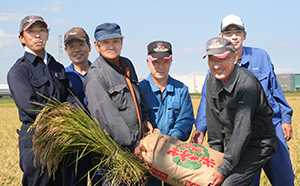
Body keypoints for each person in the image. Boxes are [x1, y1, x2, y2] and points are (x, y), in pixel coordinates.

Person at [191, 14, 294, 186]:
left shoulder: (260, 58)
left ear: (244, 35)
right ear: (221, 36)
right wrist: (201, 128)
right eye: (228, 32)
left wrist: (286, 118)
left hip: (268, 127)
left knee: (283, 178)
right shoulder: (214, 74)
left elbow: (275, 88)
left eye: (237, 31)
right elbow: (208, 104)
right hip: (236, 131)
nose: (233, 36)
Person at [7, 15, 76, 186]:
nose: (38, 36)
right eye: (31, 32)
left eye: (42, 31)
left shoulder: (57, 67)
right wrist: (64, 119)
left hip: (62, 139)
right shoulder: (19, 71)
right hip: (37, 140)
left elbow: (70, 98)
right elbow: (31, 107)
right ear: (22, 38)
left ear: (47, 35)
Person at [84, 22, 153, 185]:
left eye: (115, 41)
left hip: (136, 149)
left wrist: (144, 118)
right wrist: (131, 144)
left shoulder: (126, 64)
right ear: (96, 46)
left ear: (121, 43)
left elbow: (138, 95)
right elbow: (108, 117)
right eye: (105, 43)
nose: (111, 46)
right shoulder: (96, 77)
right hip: (115, 155)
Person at [203, 37, 276, 186]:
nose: (216, 66)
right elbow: (214, 124)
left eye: (221, 59)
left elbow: (242, 130)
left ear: (234, 57)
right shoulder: (211, 79)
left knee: (228, 184)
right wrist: (216, 159)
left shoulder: (247, 84)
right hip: (232, 142)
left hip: (257, 144)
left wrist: (224, 169)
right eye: (212, 60)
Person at [139, 41, 195, 186]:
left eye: (165, 61)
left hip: (174, 157)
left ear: (171, 62)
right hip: (147, 160)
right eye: (156, 62)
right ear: (148, 62)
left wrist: (171, 142)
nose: (161, 66)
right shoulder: (139, 90)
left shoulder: (181, 89)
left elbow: (186, 120)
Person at [64, 27, 102, 186]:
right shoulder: (62, 78)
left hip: (101, 143)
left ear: (89, 47)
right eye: (71, 46)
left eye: (80, 44)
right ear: (66, 51)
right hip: (74, 147)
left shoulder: (101, 74)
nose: (76, 50)